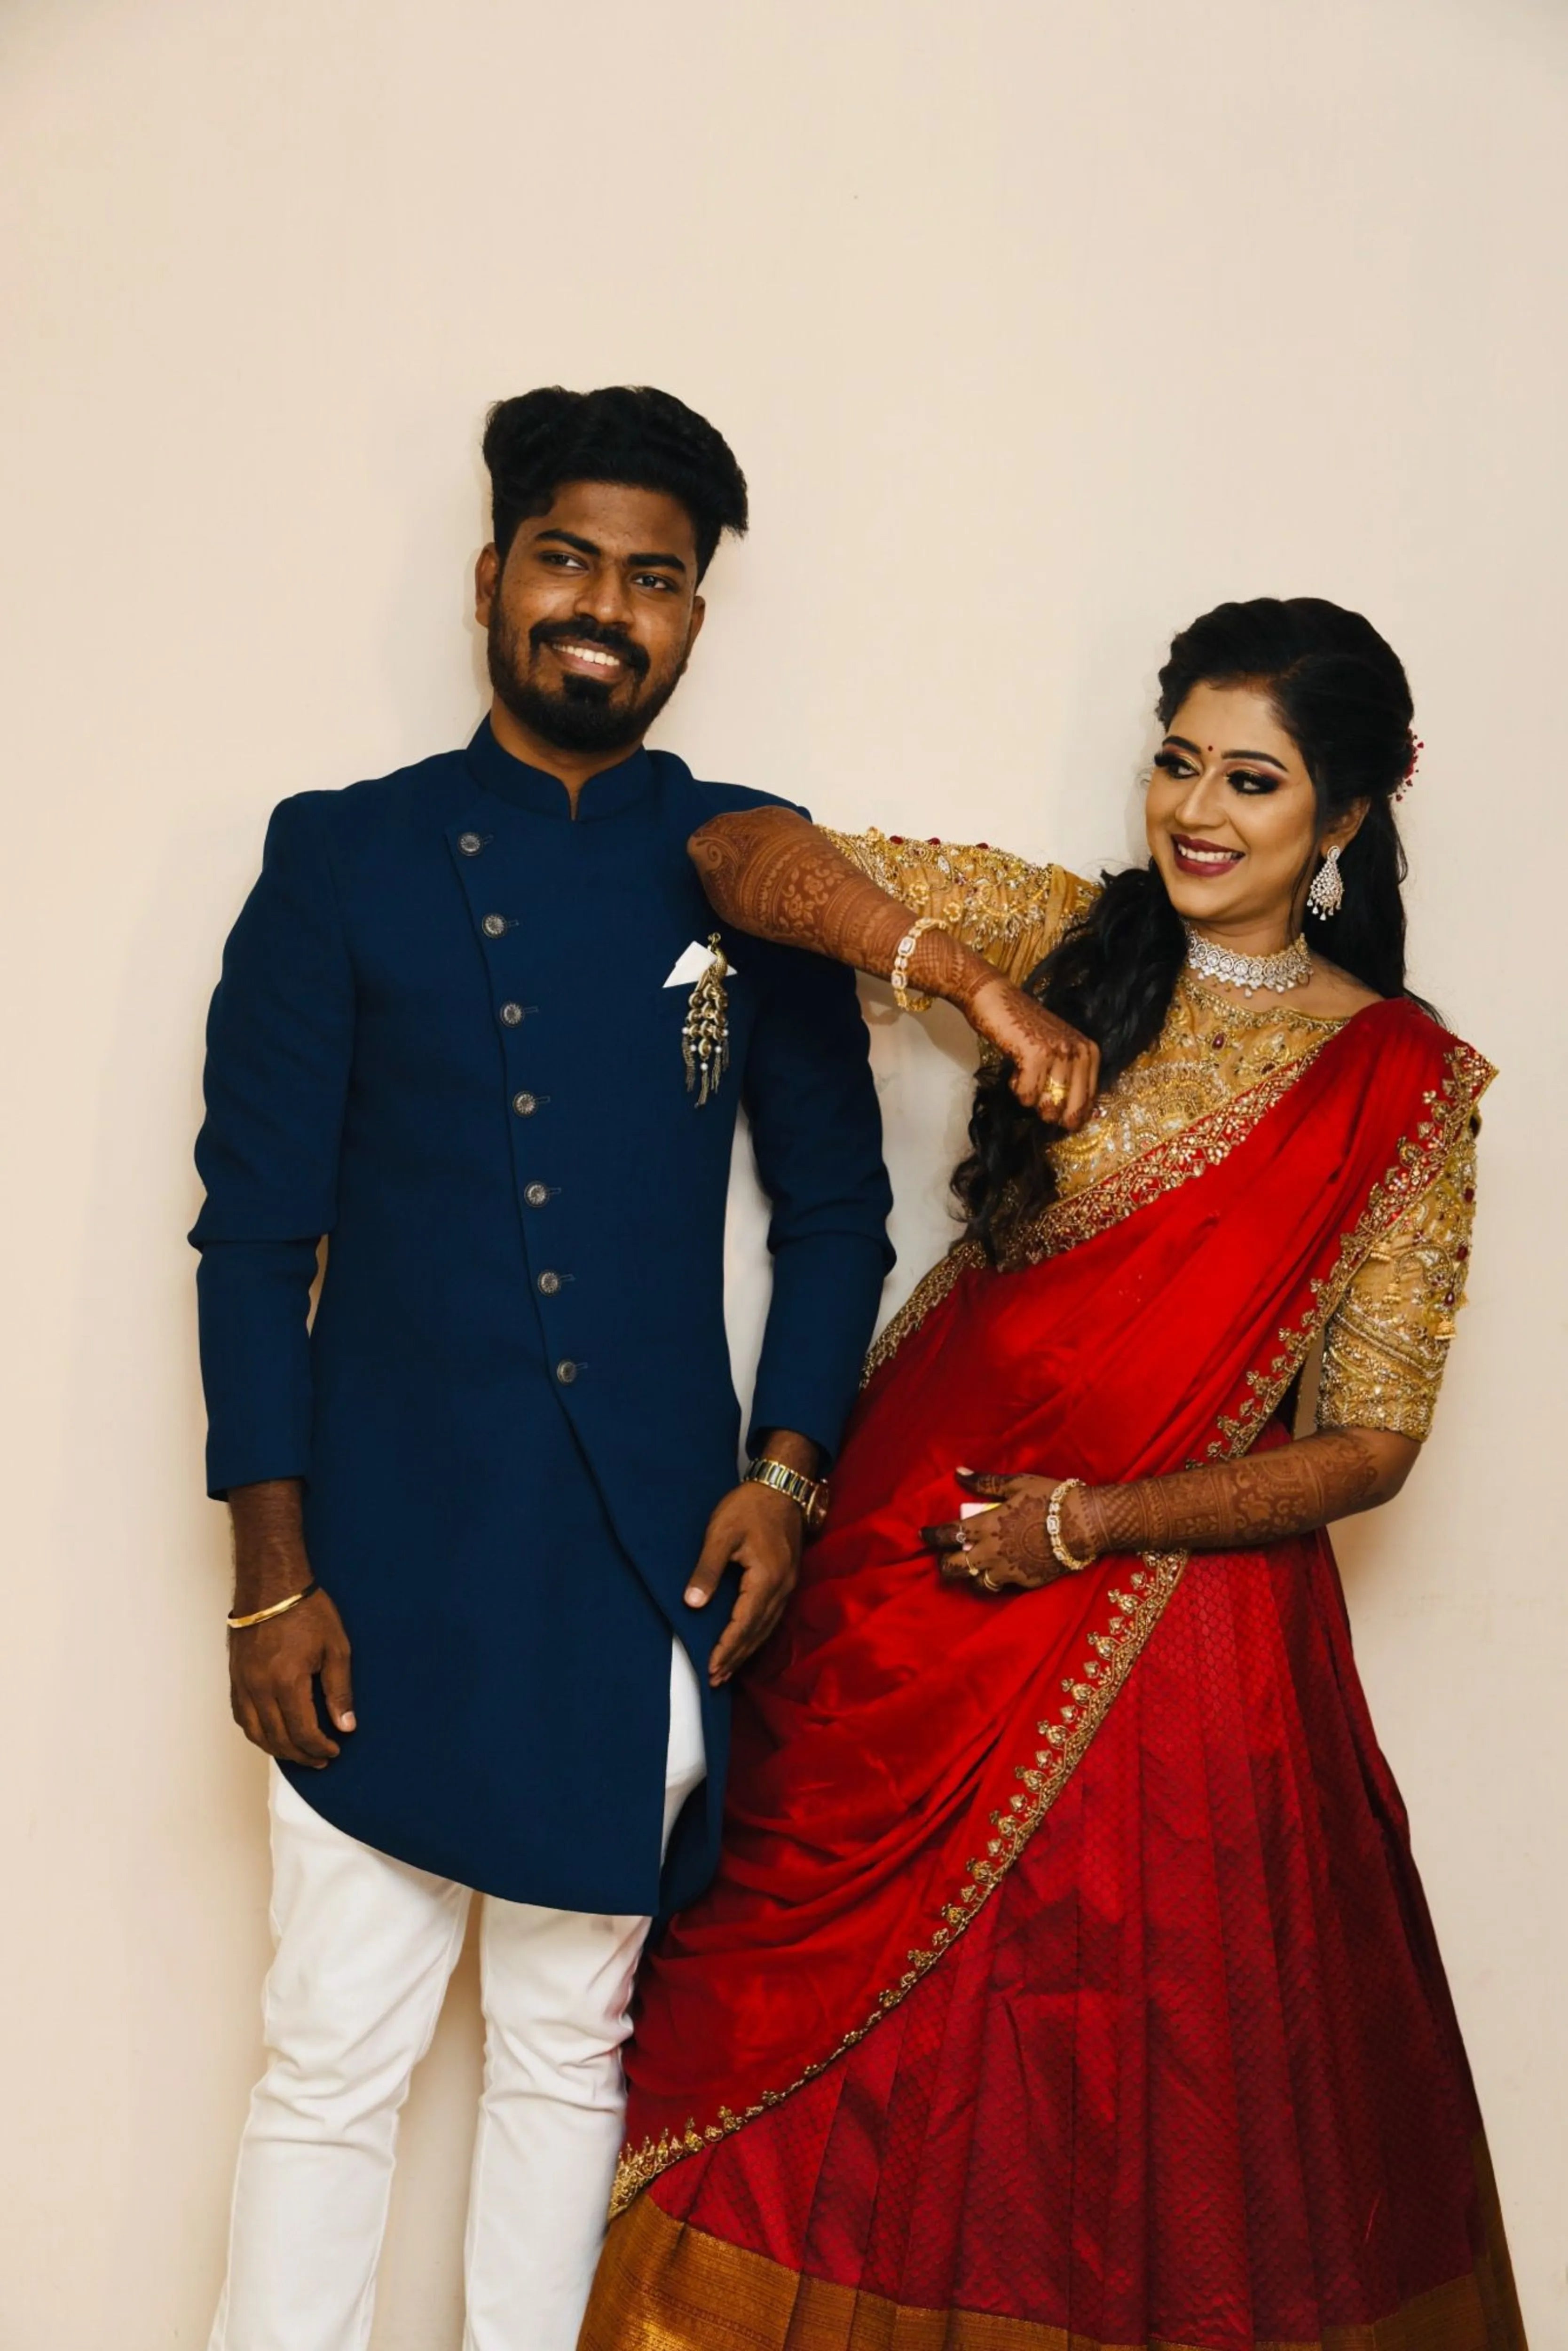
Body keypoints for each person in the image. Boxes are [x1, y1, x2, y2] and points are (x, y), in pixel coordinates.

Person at [581, 598, 1527, 2351]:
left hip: (1180, 1659)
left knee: (1143, 2084)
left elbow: (1376, 1442)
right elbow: (734, 853)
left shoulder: (1400, 1083)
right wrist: (967, 979)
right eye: (1177, 760)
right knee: (846, 2059)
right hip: (906, 1592)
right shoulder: (1069, 933)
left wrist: (1088, 1525)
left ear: (1344, 821)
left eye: (1254, 780)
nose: (1199, 810)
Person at [189, 384, 892, 2351]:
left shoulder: (753, 872)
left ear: (693, 617)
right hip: (382, 1562)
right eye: (568, 559)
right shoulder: (343, 857)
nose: (606, 606)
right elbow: (256, 1233)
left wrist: (789, 1467)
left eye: (654, 577)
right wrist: (271, 1569)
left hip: (640, 1556)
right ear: (493, 576)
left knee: (573, 2048)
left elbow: (839, 1215)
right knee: (330, 2051)